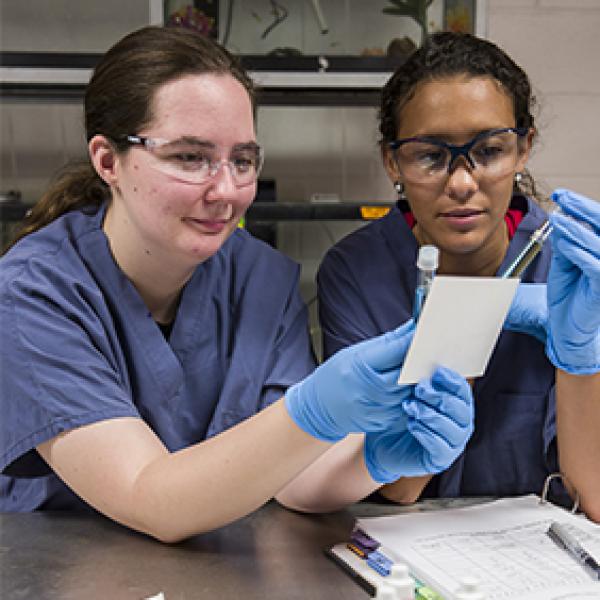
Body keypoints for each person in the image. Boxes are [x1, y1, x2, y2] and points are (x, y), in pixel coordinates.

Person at [0, 26, 475, 542]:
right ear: (108, 161)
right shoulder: (35, 294)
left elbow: (291, 476)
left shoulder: (259, 278)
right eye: (189, 157)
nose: (225, 191)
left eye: (242, 161)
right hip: (62, 564)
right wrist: (314, 409)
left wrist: (377, 454)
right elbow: (149, 496)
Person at [316, 32, 600, 520]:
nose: (463, 183)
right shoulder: (357, 272)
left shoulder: (570, 269)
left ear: (524, 147)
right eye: (430, 155)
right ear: (392, 161)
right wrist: (464, 330)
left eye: (489, 150)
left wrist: (580, 361)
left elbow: (593, 497)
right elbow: (399, 489)